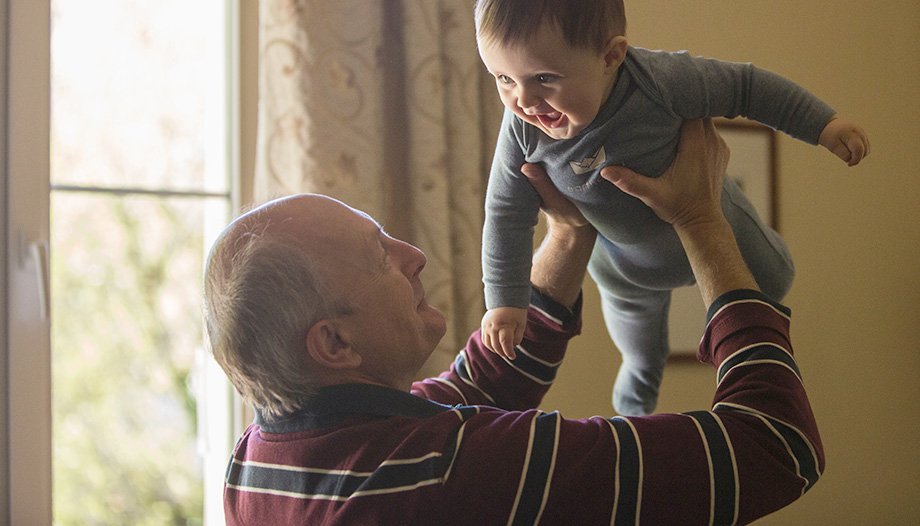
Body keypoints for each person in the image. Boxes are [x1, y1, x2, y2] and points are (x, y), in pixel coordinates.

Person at [204, 119, 824, 525]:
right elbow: (774, 445)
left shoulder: (260, 462)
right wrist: (701, 219)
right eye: (380, 256)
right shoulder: (452, 472)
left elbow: (477, 385)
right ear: (334, 343)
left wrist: (569, 231)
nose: (413, 256)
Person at [475, 0, 870, 416]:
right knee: (641, 353)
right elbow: (505, 213)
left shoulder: (660, 80)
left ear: (611, 57)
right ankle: (635, 406)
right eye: (503, 78)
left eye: (543, 78)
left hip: (720, 222)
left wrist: (824, 125)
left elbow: (747, 88)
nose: (523, 100)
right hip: (625, 269)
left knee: (776, 279)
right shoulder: (521, 130)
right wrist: (504, 299)